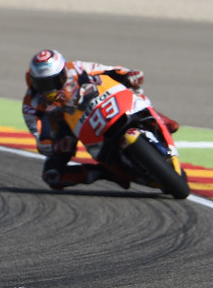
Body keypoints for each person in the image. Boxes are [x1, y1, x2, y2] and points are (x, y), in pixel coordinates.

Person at [23, 49, 180, 190]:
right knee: (53, 176)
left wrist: (128, 75)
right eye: (43, 84)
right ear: (34, 81)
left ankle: (159, 121)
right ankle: (105, 172)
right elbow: (39, 138)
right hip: (67, 128)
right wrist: (53, 145)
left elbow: (109, 70)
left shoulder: (75, 68)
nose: (50, 88)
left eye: (54, 81)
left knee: (135, 92)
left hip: (96, 102)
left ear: (63, 72)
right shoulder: (31, 104)